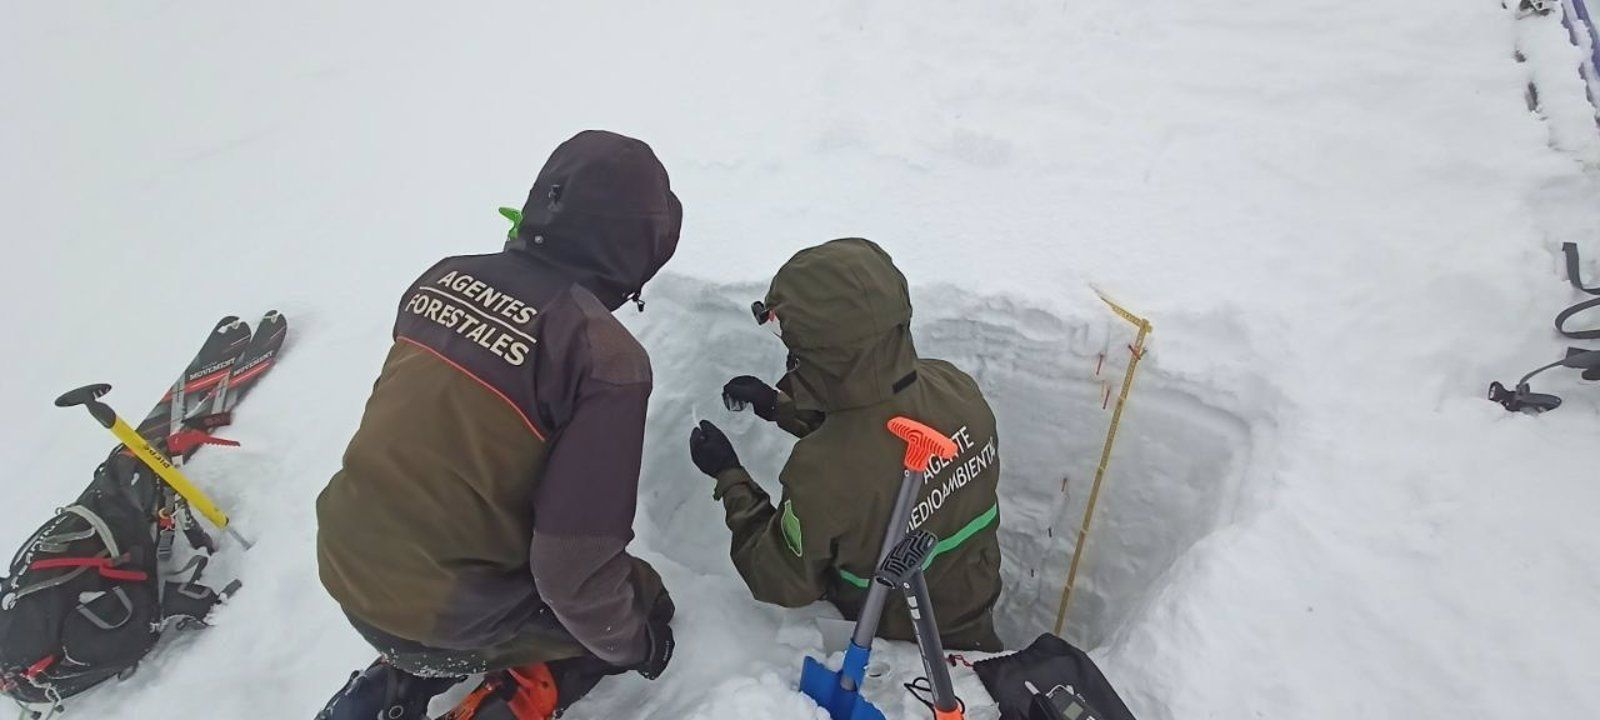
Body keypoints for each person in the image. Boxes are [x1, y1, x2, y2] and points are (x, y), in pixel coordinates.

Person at [314, 130, 681, 720]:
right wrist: (638, 644)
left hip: (343, 559)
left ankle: (393, 683)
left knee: (453, 577)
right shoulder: (602, 356)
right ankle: (517, 698)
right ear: (639, 246)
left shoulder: (440, 278)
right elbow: (574, 572)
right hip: (443, 613)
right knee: (638, 602)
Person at [688, 238, 1005, 651]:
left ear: (823, 350)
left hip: (899, 635)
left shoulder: (822, 471)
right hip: (972, 603)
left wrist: (729, 476)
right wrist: (778, 406)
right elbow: (874, 435)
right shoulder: (953, 386)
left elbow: (780, 579)